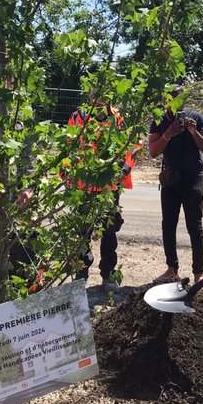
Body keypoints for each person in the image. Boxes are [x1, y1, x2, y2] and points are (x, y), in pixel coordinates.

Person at [67, 99, 135, 285]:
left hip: (109, 186)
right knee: (82, 232)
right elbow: (68, 146)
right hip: (84, 185)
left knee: (109, 230)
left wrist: (126, 168)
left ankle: (108, 273)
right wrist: (66, 174)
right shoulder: (78, 117)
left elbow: (133, 145)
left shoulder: (119, 119)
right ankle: (81, 275)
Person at [147, 106, 203, 282]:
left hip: (193, 179)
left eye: (180, 98)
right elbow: (153, 152)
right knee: (168, 224)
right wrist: (168, 133)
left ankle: (199, 274)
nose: (176, 103)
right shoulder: (159, 121)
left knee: (195, 226)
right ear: (166, 100)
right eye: (172, 98)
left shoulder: (196, 117)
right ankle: (172, 269)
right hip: (171, 179)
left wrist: (194, 132)